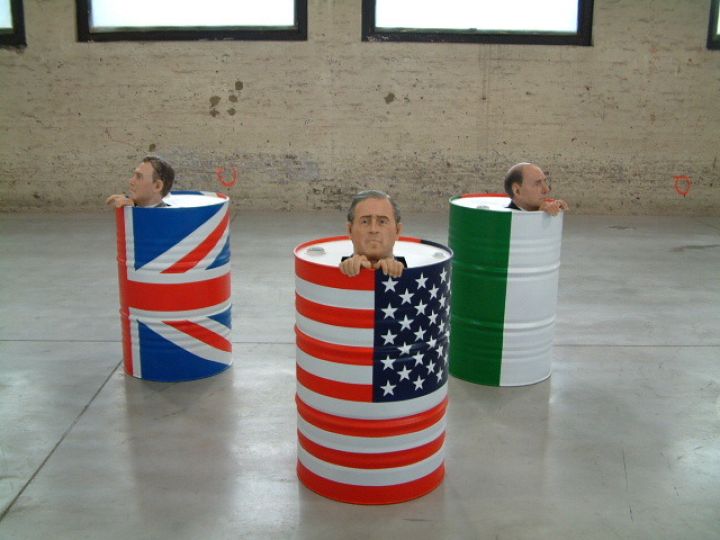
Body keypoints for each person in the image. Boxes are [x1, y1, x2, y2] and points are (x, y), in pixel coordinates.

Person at [339, 190, 406, 278]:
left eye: (382, 221)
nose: (373, 229)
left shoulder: (415, 278)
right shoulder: (327, 280)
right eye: (365, 221)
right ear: (350, 230)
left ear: (397, 231)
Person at [105, 156, 175, 208]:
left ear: (157, 186)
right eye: (134, 175)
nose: (131, 181)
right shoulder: (131, 204)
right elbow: (110, 201)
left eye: (139, 177)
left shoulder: (169, 218)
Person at [503, 162, 569, 216]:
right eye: (537, 184)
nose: (546, 190)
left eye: (545, 181)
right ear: (517, 191)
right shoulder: (504, 221)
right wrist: (538, 217)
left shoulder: (545, 210)